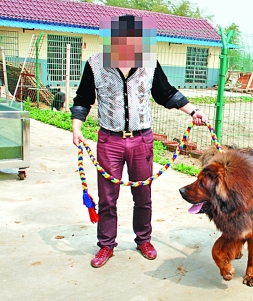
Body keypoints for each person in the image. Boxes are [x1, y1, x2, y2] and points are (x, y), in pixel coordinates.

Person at [70, 15, 207, 268]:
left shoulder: (149, 64)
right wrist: (76, 128)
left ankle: (143, 239)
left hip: (142, 140)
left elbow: (166, 94)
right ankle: (106, 245)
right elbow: (82, 99)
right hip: (109, 140)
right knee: (107, 198)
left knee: (142, 195)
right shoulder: (95, 64)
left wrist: (193, 111)